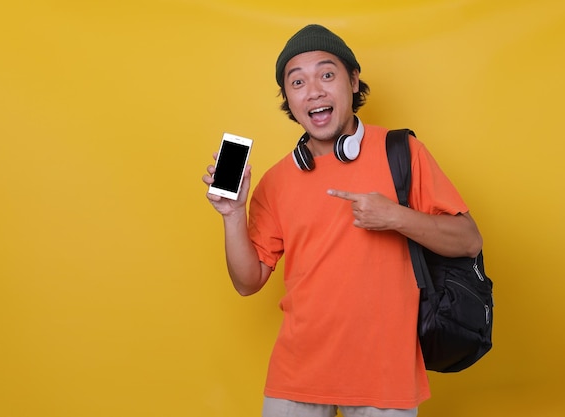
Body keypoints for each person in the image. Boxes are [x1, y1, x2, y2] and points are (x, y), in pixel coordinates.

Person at [203, 24, 482, 417]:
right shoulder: (275, 182)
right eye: (297, 82)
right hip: (296, 375)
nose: (314, 90)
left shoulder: (401, 152)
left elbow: (469, 240)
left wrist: (395, 216)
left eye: (327, 74)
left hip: (384, 378)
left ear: (353, 81)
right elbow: (248, 283)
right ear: (289, 99)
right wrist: (232, 216)